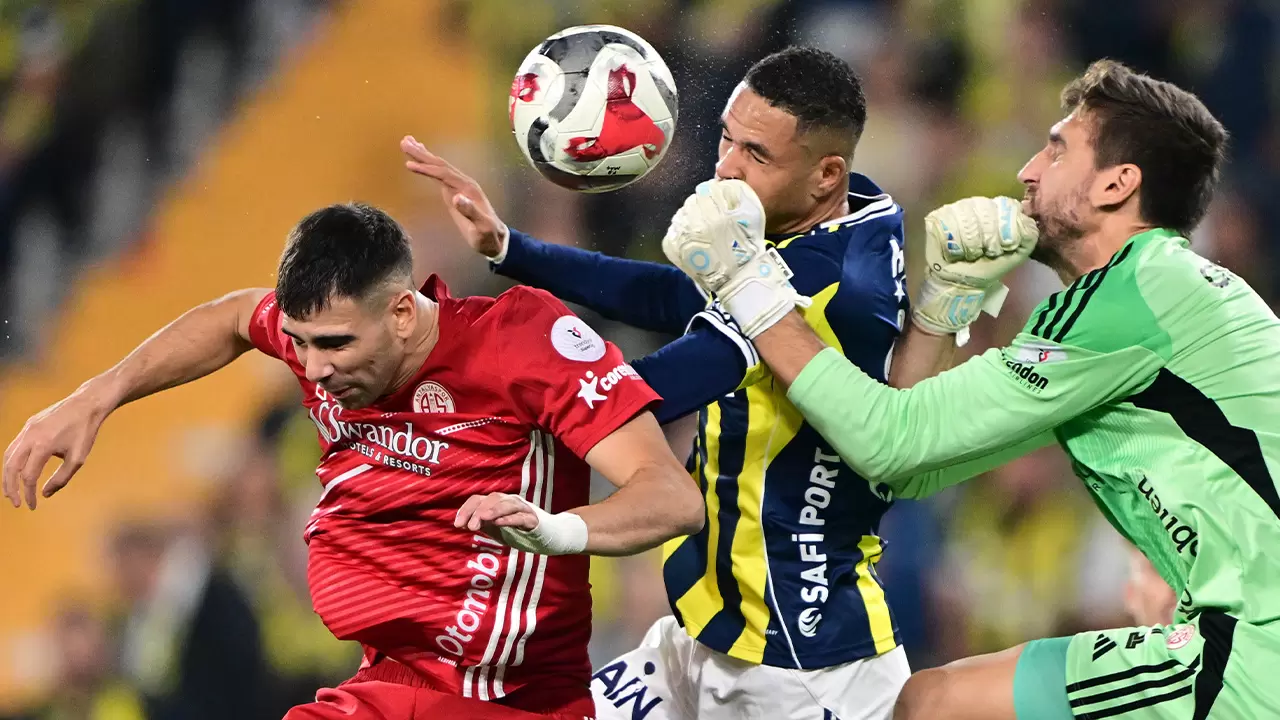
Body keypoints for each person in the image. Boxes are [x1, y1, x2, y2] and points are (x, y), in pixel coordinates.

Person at [402, 46, 1032, 720]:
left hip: (800, 665)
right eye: (727, 139)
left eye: (756, 155)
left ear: (826, 173)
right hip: (709, 636)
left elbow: (659, 386)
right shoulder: (860, 212)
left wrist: (479, 418)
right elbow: (676, 295)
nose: (727, 166)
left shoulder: (820, 284)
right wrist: (511, 248)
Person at [663, 58, 1280, 718]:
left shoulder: (1130, 299)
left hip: (1255, 650)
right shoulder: (1148, 299)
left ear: (1116, 184)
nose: (1028, 172)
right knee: (931, 702)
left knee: (933, 707)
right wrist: (945, 304)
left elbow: (890, 442)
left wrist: (747, 283)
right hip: (1239, 633)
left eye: (1057, 150)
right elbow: (910, 467)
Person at [2, 202, 705, 720]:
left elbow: (671, 498)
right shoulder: (327, 341)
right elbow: (232, 317)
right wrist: (98, 396)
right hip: (385, 685)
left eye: (334, 344)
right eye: (299, 342)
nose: (313, 368)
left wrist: (554, 529)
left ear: (402, 312)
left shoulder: (520, 341)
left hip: (508, 700)